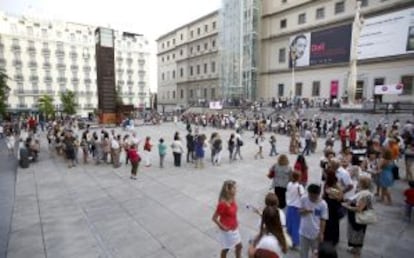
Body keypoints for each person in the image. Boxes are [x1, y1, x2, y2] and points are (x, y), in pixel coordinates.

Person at [342, 176, 374, 258]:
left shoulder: (365, 195)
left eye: (359, 181)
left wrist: (347, 206)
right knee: (353, 235)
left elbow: (359, 209)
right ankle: (355, 249)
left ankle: (357, 254)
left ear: (362, 184)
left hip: (359, 219)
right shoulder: (362, 191)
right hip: (354, 218)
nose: (358, 183)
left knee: (357, 236)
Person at [212, 180, 242, 258]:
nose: (236, 190)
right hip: (227, 231)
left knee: (239, 246)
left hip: (235, 228)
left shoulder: (232, 198)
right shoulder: (222, 204)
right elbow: (214, 218)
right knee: (226, 249)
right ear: (228, 190)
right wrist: (222, 226)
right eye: (234, 188)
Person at [299, 184, 328, 258]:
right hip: (303, 232)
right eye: (310, 196)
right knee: (303, 253)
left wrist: (321, 233)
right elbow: (299, 212)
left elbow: (323, 219)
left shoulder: (323, 204)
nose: (311, 198)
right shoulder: (304, 199)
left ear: (318, 194)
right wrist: (305, 211)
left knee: (315, 254)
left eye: (314, 196)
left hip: (316, 234)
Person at [323, 170, 343, 246]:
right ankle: (333, 238)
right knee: (333, 223)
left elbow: (340, 197)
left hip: (330, 205)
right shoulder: (334, 184)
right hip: (333, 205)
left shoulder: (333, 185)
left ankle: (329, 237)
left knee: (329, 222)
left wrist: (332, 194)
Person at [286, 171, 305, 249]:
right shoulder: (299, 187)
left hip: (289, 206)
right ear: (298, 178)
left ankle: (289, 239)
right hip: (296, 207)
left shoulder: (289, 184)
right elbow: (302, 197)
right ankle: (295, 242)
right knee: (296, 226)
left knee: (289, 225)